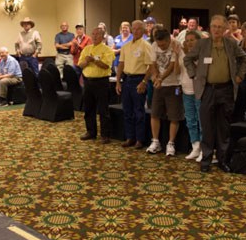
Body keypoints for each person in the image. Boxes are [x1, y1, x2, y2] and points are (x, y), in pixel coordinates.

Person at [184, 15, 246, 172]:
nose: (216, 30)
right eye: (214, 26)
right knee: (207, 127)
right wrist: (193, 74)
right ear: (210, 28)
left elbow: (245, 58)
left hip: (226, 90)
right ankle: (205, 161)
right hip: (208, 90)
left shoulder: (231, 43)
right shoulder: (202, 44)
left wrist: (239, 75)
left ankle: (222, 160)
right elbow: (188, 59)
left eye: (220, 27)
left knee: (223, 128)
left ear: (225, 28)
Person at [145, 29, 184, 156]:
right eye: (159, 44)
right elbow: (153, 63)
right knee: (155, 113)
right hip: (159, 85)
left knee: (174, 115)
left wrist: (161, 78)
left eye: (163, 45)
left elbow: (172, 66)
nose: (160, 47)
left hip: (175, 85)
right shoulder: (154, 45)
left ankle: (171, 143)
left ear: (169, 40)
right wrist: (155, 75)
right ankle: (155, 141)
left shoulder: (175, 44)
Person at [115, 20, 152, 149]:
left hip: (139, 80)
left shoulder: (146, 45)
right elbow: (121, 64)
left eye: (138, 29)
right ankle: (130, 137)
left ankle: (140, 139)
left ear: (143, 31)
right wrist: (118, 82)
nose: (135, 31)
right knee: (127, 110)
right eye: (134, 29)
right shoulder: (125, 46)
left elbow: (151, 66)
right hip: (127, 80)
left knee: (139, 111)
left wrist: (144, 82)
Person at [78, 27, 115, 144]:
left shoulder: (107, 50)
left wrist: (94, 60)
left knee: (103, 110)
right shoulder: (86, 49)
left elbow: (106, 66)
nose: (94, 36)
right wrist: (87, 61)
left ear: (103, 36)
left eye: (97, 34)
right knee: (89, 109)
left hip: (101, 82)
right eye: (93, 34)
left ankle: (105, 135)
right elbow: (81, 64)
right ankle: (91, 132)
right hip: (88, 82)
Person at [180, 30, 203, 161]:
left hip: (199, 91)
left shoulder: (202, 54)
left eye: (192, 40)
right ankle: (195, 146)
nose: (189, 43)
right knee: (190, 120)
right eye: (187, 40)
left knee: (202, 121)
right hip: (186, 90)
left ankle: (203, 149)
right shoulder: (184, 54)